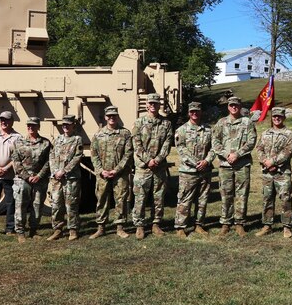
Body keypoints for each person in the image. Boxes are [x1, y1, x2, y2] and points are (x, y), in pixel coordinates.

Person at [212, 96, 256, 237]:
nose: (234, 107)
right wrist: (226, 154)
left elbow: (251, 141)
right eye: (231, 105)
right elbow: (215, 142)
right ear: (228, 107)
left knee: (242, 194)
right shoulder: (221, 122)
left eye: (236, 105)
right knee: (226, 194)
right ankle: (226, 222)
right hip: (225, 164)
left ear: (240, 106)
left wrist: (237, 154)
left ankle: (239, 223)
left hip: (242, 163)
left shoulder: (247, 122)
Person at [131, 93, 174, 240]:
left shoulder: (166, 123)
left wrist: (158, 159)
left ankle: (156, 224)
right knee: (140, 197)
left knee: (158, 196)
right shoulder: (139, 122)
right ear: (146, 105)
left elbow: (167, 144)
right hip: (143, 167)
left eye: (156, 103)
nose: (153, 106)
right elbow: (136, 144)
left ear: (159, 105)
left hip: (159, 167)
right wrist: (148, 160)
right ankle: (140, 225)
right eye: (151, 103)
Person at [90, 105, 133, 239]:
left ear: (117, 116)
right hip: (103, 174)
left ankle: (120, 227)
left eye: (114, 115)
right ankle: (101, 227)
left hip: (119, 174)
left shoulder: (125, 134)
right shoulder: (98, 134)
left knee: (120, 200)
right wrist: (101, 171)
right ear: (105, 117)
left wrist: (116, 170)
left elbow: (128, 154)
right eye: (109, 116)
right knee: (102, 199)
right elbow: (94, 154)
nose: (112, 118)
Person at [173, 102, 214, 238]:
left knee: (203, 200)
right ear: (189, 113)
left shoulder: (209, 130)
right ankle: (180, 227)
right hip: (188, 171)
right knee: (185, 199)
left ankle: (199, 225)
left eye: (197, 111)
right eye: (192, 112)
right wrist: (196, 163)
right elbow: (181, 149)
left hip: (205, 170)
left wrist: (207, 161)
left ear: (200, 112)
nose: (194, 114)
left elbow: (214, 148)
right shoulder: (182, 130)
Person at [255, 107, 292, 238]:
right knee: (267, 199)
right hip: (267, 172)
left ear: (284, 117)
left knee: (285, 199)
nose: (276, 118)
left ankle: (287, 226)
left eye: (279, 116)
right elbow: (259, 149)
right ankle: (267, 225)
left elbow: (289, 152)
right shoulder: (266, 133)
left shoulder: (289, 134)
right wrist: (265, 162)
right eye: (274, 116)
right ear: (271, 117)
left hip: (282, 172)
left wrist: (273, 162)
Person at [11, 117, 51, 242]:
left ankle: (34, 230)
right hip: (23, 180)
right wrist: (27, 177)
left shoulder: (46, 143)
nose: (31, 127)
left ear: (38, 127)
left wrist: (39, 175)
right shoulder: (18, 142)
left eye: (33, 125)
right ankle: (21, 232)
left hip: (39, 179)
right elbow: (16, 162)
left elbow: (49, 162)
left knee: (37, 206)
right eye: (29, 125)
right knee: (20, 205)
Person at [47, 115, 84, 241]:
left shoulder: (77, 139)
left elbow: (77, 157)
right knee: (56, 204)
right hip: (57, 179)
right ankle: (57, 230)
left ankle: (73, 230)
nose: (65, 127)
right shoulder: (57, 140)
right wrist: (55, 171)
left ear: (73, 125)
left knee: (71, 204)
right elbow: (51, 156)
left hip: (70, 178)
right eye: (63, 125)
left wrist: (64, 170)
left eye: (68, 124)